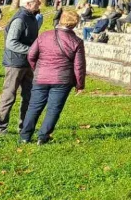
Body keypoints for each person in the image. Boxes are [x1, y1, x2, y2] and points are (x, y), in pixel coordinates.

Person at [19, 9, 86, 144]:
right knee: (53, 109)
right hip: (63, 80)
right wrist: (80, 84)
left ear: (61, 19)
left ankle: (25, 137)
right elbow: (79, 66)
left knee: (34, 107)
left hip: (41, 77)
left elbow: (31, 55)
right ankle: (43, 137)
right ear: (75, 24)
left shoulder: (44, 35)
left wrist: (37, 69)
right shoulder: (76, 41)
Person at [0, 0, 41, 138]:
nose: (40, 2)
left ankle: (24, 127)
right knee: (9, 96)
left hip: (27, 63)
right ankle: (0, 128)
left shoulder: (32, 17)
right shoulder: (20, 19)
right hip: (14, 63)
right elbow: (11, 43)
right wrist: (33, 50)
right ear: (28, 4)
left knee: (29, 96)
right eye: (37, 1)